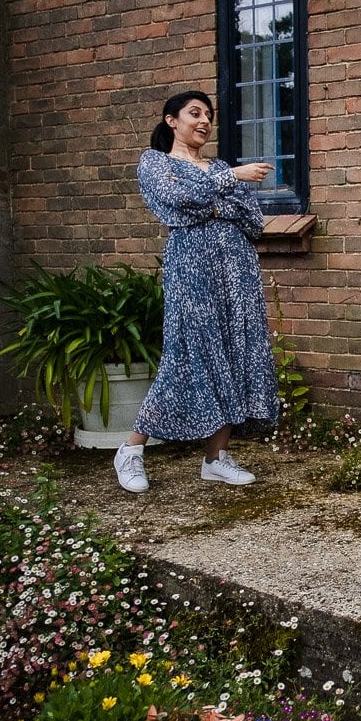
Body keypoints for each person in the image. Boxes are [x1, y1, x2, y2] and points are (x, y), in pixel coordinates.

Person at [112, 90, 279, 493]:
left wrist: (214, 197)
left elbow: (253, 219)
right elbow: (174, 199)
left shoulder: (215, 165)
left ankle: (216, 459)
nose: (204, 120)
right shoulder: (155, 163)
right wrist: (229, 181)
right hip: (192, 270)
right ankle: (131, 450)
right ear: (172, 120)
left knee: (235, 354)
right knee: (190, 356)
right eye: (194, 113)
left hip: (237, 272)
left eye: (209, 115)